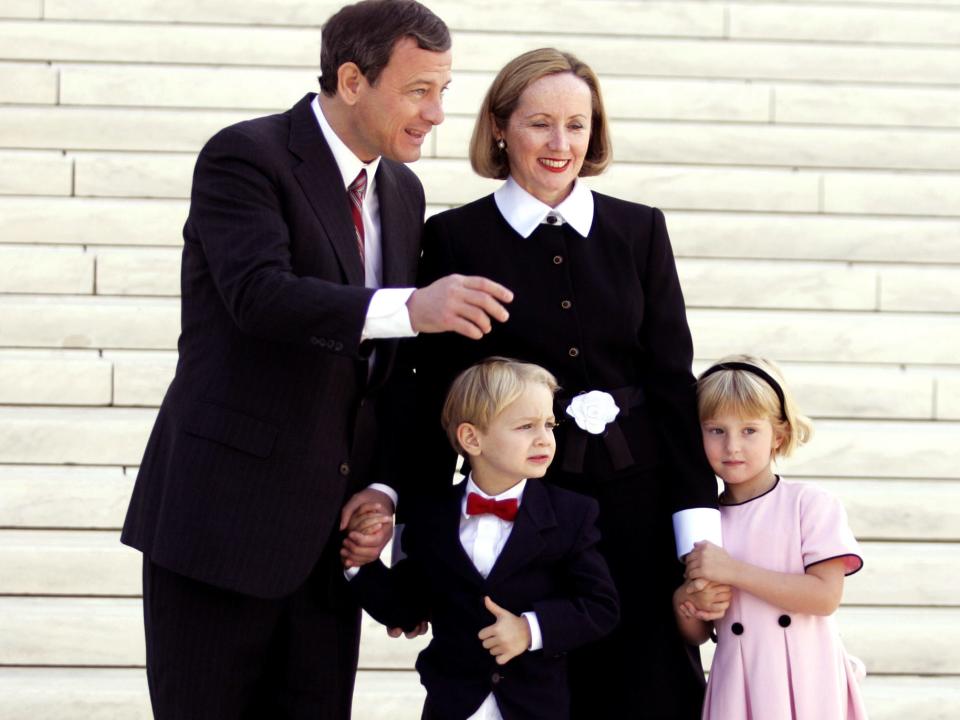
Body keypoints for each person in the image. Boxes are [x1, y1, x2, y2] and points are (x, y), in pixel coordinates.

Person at [119, 2, 513, 717]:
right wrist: (409, 308)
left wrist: (386, 492)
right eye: (420, 90)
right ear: (353, 79)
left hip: (330, 551)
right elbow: (258, 297)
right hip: (222, 529)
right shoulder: (246, 156)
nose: (436, 114)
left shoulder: (402, 188)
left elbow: (385, 380)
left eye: (444, 91)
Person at [412, 48, 723, 718]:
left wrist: (699, 538)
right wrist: (419, 543)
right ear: (499, 126)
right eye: (540, 124)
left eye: (577, 126)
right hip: (523, 518)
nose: (561, 145)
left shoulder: (640, 230)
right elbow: (434, 398)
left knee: (650, 690)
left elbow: (673, 384)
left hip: (637, 508)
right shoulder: (452, 237)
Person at [346, 357, 619, 720]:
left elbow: (601, 606)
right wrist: (360, 567)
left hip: (535, 707)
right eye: (525, 426)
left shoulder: (571, 515)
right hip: (452, 705)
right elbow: (409, 606)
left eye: (549, 425)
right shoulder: (431, 518)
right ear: (471, 438)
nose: (544, 438)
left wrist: (530, 629)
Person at [675, 355, 868, 719]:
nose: (732, 446)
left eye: (749, 430)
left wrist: (732, 571)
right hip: (740, 685)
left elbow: (825, 597)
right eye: (716, 430)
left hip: (809, 681)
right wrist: (686, 600)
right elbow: (698, 634)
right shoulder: (702, 520)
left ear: (778, 435)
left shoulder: (808, 504)